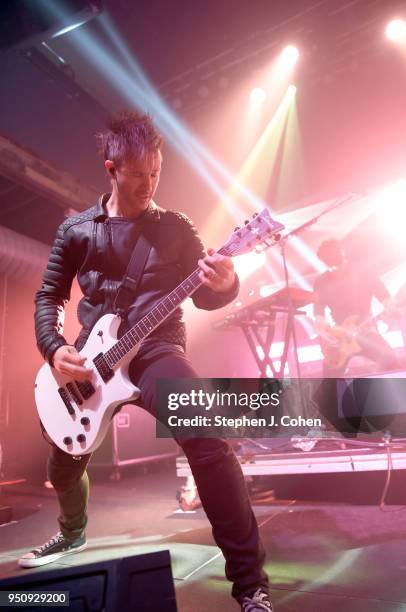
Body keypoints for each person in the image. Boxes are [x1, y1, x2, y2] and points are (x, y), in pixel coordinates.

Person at [19, 111, 272, 612]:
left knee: (209, 440)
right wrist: (54, 348)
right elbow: (48, 296)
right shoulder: (75, 231)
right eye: (138, 176)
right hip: (92, 362)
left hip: (157, 350)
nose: (149, 184)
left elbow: (207, 295)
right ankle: (71, 534)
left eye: (156, 173)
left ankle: (250, 585)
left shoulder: (177, 228)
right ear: (112, 168)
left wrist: (226, 285)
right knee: (64, 466)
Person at [313, 238, 400, 377]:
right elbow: (318, 315)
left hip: (366, 332)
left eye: (335, 261)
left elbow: (383, 295)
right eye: (329, 264)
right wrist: (325, 335)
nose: (334, 268)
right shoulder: (321, 282)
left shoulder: (363, 271)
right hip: (340, 337)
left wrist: (390, 305)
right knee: (329, 380)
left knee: (389, 360)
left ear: (342, 254)